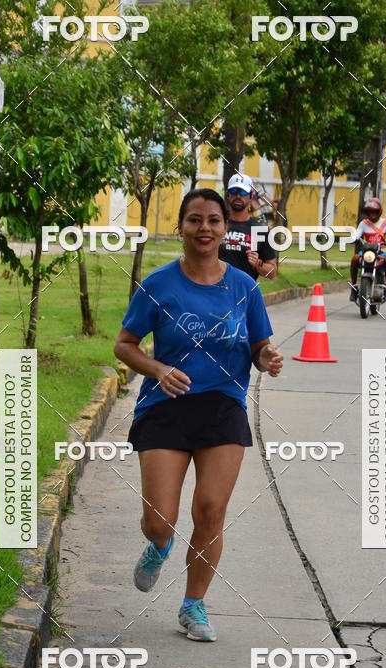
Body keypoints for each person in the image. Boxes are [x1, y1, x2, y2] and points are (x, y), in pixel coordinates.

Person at [113, 188, 283, 642]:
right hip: (165, 407)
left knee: (211, 510)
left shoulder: (245, 287)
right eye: (194, 219)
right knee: (159, 520)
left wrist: (266, 358)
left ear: (226, 228)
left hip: (222, 407)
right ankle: (160, 545)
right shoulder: (159, 285)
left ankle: (193, 605)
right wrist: (157, 368)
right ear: (181, 227)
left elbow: (259, 346)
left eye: (213, 220)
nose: (204, 228)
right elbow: (124, 345)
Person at [219, 174, 278, 281]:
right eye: (234, 191)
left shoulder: (260, 230)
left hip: (244, 290)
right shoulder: (215, 223)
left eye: (243, 192)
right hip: (214, 289)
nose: (238, 196)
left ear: (250, 196)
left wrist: (258, 263)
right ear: (228, 194)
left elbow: (272, 272)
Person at [350, 197, 386, 302]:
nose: (371, 214)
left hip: (381, 251)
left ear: (379, 211)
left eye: (374, 211)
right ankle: (354, 288)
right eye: (369, 212)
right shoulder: (363, 223)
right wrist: (354, 238)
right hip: (366, 251)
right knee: (355, 259)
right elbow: (357, 235)